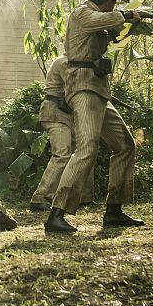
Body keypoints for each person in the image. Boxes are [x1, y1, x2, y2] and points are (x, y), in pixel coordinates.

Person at [45, 0, 144, 233]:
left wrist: (134, 23)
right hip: (84, 87)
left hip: (98, 90)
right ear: (108, 0)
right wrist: (126, 14)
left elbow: (114, 33)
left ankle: (114, 210)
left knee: (125, 145)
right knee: (87, 148)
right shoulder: (83, 13)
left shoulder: (104, 18)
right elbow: (101, 21)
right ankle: (56, 214)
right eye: (114, 2)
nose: (114, 6)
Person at [29, 55, 94, 211]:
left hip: (66, 113)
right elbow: (75, 89)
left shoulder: (71, 62)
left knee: (84, 151)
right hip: (55, 112)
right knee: (62, 154)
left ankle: (82, 197)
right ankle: (40, 198)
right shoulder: (64, 62)